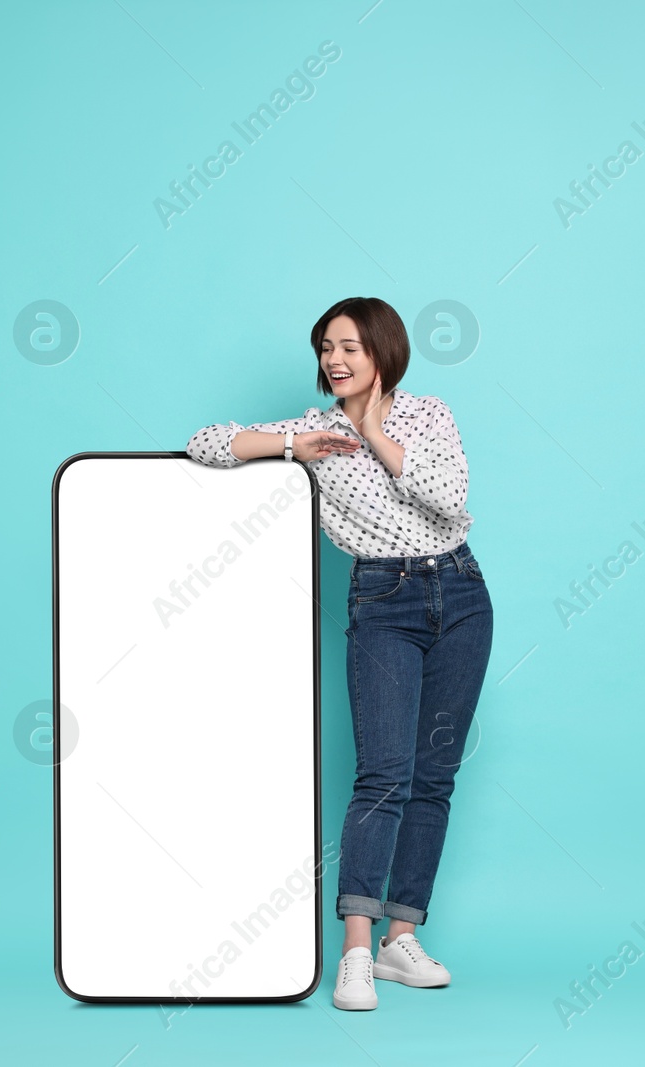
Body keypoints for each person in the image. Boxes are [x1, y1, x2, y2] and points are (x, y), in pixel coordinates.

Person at [184, 296, 492, 1011]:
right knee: (384, 773)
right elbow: (206, 441)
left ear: (382, 349)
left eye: (349, 345)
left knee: (434, 776)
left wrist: (378, 432)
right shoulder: (314, 428)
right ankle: (356, 949)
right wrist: (295, 449)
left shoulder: (429, 414)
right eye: (326, 347)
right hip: (383, 601)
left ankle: (400, 937)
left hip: (462, 592)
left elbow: (450, 498)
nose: (334, 359)